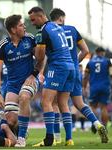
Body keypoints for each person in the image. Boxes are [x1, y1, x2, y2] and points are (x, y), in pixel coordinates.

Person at [49, 8, 108, 144]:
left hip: (60, 69)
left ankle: (58, 138)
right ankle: (97, 124)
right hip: (75, 70)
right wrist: (75, 62)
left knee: (55, 103)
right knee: (79, 103)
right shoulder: (73, 29)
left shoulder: (52, 31)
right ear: (62, 18)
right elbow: (86, 50)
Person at [28, 7, 75, 146]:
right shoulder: (57, 26)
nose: (32, 22)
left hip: (58, 67)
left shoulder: (42, 32)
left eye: (33, 19)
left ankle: (49, 139)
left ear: (41, 16)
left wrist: (33, 51)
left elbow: (40, 56)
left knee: (45, 102)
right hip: (70, 66)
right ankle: (69, 139)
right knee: (63, 103)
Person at [0, 14, 39, 147]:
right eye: (21, 25)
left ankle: (22, 138)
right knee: (11, 121)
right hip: (12, 85)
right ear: (13, 30)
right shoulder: (2, 46)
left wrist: (35, 74)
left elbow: (42, 59)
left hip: (30, 80)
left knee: (24, 96)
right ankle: (22, 126)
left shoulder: (30, 39)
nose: (24, 26)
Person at [83, 47, 112, 131]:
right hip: (105, 87)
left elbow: (85, 76)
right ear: (103, 52)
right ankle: (104, 127)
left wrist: (84, 87)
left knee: (92, 106)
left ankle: (95, 123)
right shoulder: (107, 61)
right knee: (103, 107)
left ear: (96, 52)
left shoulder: (90, 62)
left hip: (94, 87)